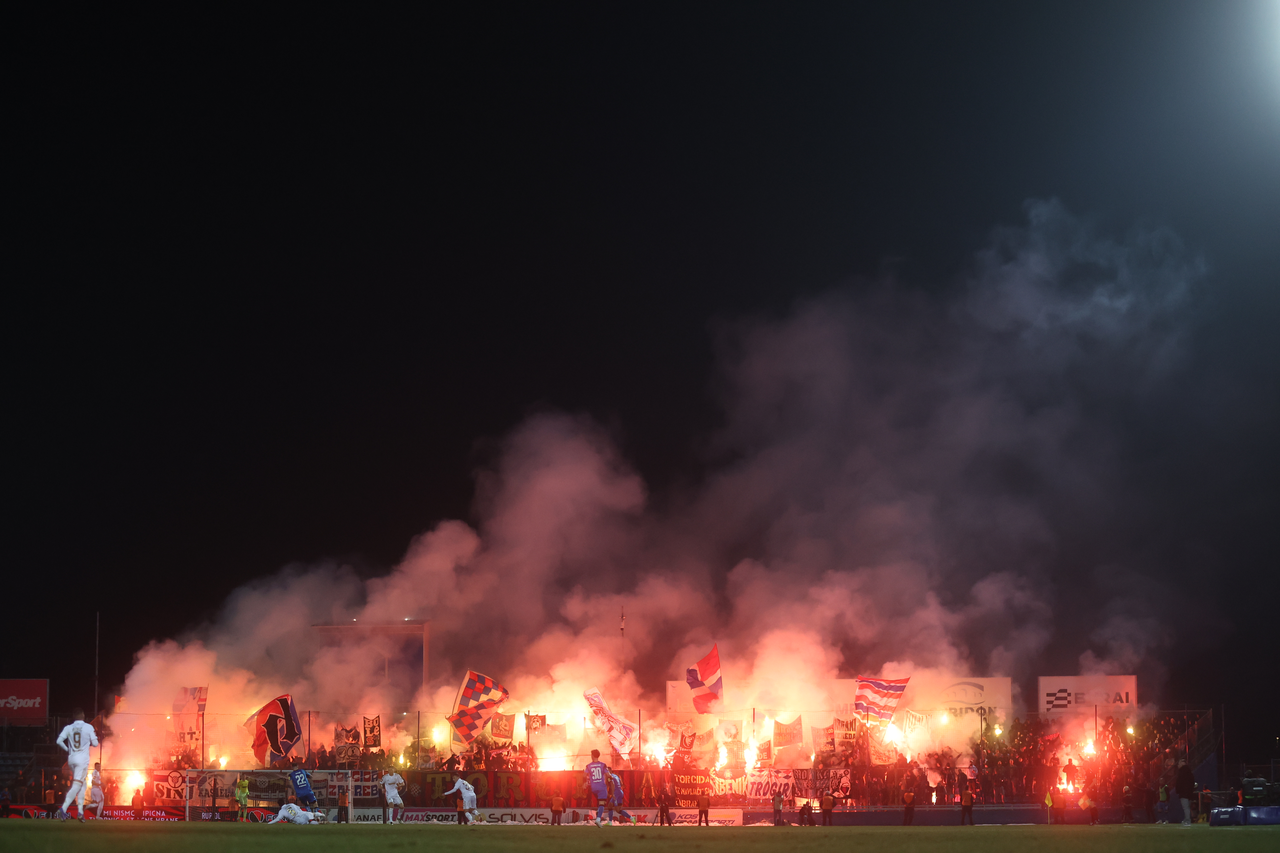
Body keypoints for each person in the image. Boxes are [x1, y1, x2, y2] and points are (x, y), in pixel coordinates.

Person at [55, 709, 99, 821]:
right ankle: (63, 809)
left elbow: (58, 741)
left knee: (82, 785)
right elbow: (95, 744)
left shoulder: (68, 728)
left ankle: (80, 812)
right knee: (77, 785)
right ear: (83, 716)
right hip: (82, 761)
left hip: (71, 760)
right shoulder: (88, 727)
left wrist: (68, 750)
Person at [584, 749, 610, 827]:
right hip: (601, 787)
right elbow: (608, 775)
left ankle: (599, 810)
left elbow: (584, 775)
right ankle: (598, 819)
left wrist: (585, 782)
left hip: (594, 788)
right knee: (602, 803)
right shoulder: (603, 765)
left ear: (593, 755)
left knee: (600, 802)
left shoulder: (588, 766)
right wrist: (611, 777)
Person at [1174, 758, 1195, 827]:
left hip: (1183, 793)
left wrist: (1178, 790)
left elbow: (1179, 783)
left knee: (1186, 807)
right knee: (1187, 807)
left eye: (1179, 763)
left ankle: (1188, 820)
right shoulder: (1189, 772)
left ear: (1183, 763)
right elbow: (1192, 782)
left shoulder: (1181, 772)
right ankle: (1186, 819)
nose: (1178, 765)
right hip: (1189, 793)